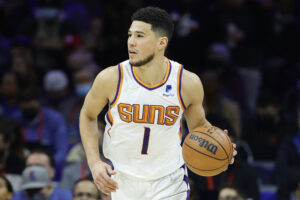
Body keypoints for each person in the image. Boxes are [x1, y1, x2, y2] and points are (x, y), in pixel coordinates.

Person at [79, 6, 236, 199]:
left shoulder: (186, 82)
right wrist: (95, 162)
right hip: (121, 179)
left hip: (169, 181)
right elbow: (87, 115)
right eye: (130, 35)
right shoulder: (111, 78)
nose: (131, 42)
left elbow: (198, 126)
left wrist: (220, 142)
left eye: (139, 36)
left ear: (161, 42)